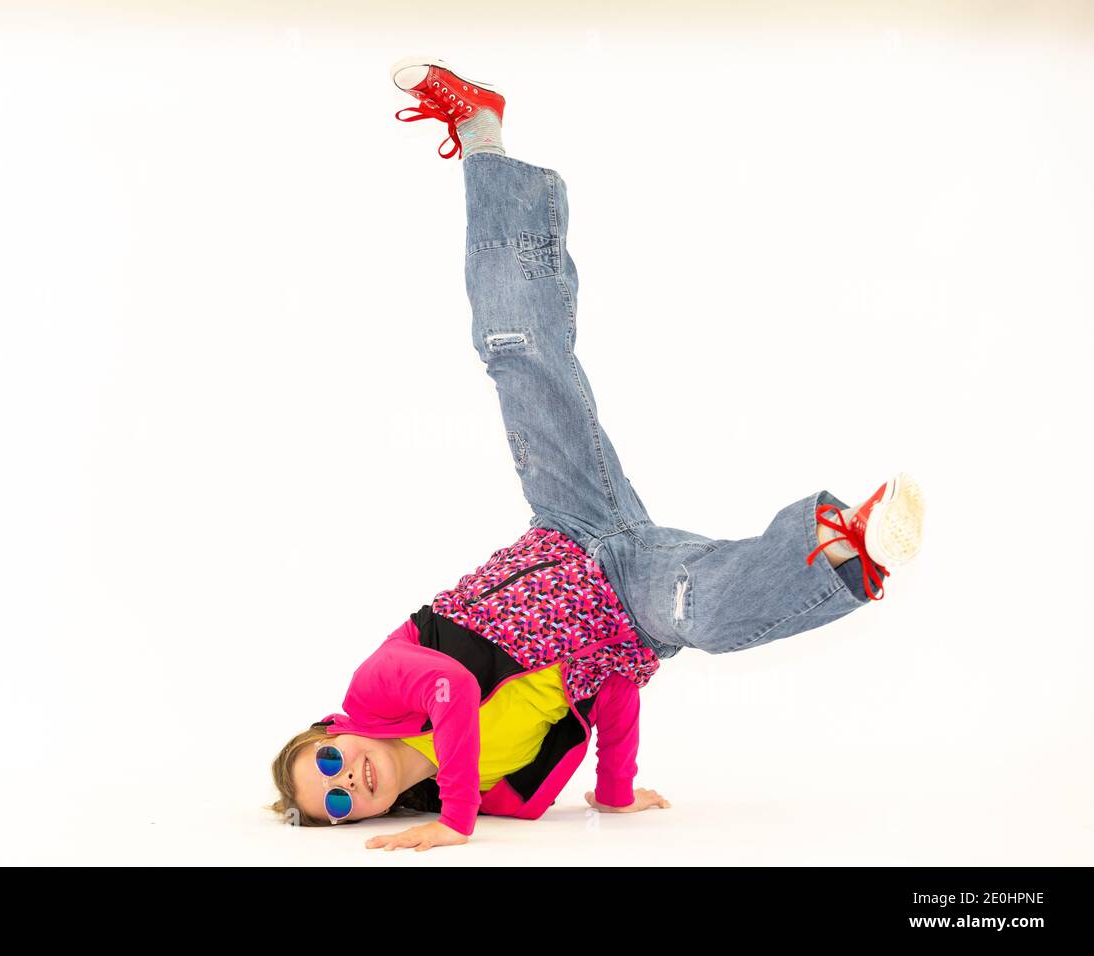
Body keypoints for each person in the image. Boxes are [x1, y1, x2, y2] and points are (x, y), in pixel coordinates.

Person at [267, 55, 926, 852]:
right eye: (337, 803)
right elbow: (604, 689)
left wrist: (453, 824)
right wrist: (613, 793)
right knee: (702, 615)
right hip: (627, 602)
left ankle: (482, 137)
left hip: (571, 523)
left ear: (335, 729)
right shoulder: (504, 792)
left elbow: (451, 686)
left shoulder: (379, 689)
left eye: (328, 762)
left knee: (518, 354)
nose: (348, 779)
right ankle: (851, 546)